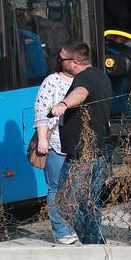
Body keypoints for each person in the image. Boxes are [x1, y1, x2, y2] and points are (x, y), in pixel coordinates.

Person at [48, 41, 112, 244]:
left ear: (74, 62)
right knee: (88, 202)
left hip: (82, 155)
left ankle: (91, 242)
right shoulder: (100, 75)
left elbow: (81, 94)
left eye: (62, 59)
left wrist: (63, 104)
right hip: (97, 151)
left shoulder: (83, 79)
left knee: (65, 201)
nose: (59, 62)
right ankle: (95, 244)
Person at [31, 49, 76, 245]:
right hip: (56, 143)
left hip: (76, 144)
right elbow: (41, 110)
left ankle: (71, 227)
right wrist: (42, 140)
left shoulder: (83, 79)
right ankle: (61, 231)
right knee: (55, 187)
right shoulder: (51, 82)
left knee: (73, 188)